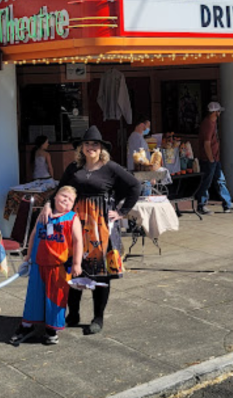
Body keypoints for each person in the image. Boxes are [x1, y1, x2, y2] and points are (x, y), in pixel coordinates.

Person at [40, 126, 140, 335]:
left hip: (101, 226)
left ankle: (98, 317)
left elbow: (134, 186)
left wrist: (122, 211)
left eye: (95, 144)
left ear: (101, 148)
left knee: (100, 273)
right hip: (74, 224)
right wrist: (49, 204)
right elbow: (61, 190)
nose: (91, 147)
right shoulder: (74, 168)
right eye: (87, 143)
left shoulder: (111, 167)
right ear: (82, 148)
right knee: (73, 269)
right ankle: (73, 314)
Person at [9, 185, 83, 346]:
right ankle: (27, 325)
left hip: (59, 267)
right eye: (64, 196)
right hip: (38, 263)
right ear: (55, 197)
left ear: (73, 204)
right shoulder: (44, 215)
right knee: (34, 297)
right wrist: (28, 257)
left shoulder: (72, 218)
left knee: (56, 299)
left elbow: (78, 241)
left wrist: (77, 263)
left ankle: (51, 329)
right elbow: (34, 234)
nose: (66, 200)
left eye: (70, 199)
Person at [196, 102, 233, 215]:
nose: (220, 113)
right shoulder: (208, 124)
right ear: (215, 112)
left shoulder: (213, 123)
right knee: (207, 182)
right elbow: (207, 143)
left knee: (220, 181)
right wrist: (211, 158)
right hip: (209, 159)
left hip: (214, 159)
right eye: (218, 111)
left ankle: (227, 204)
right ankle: (201, 205)